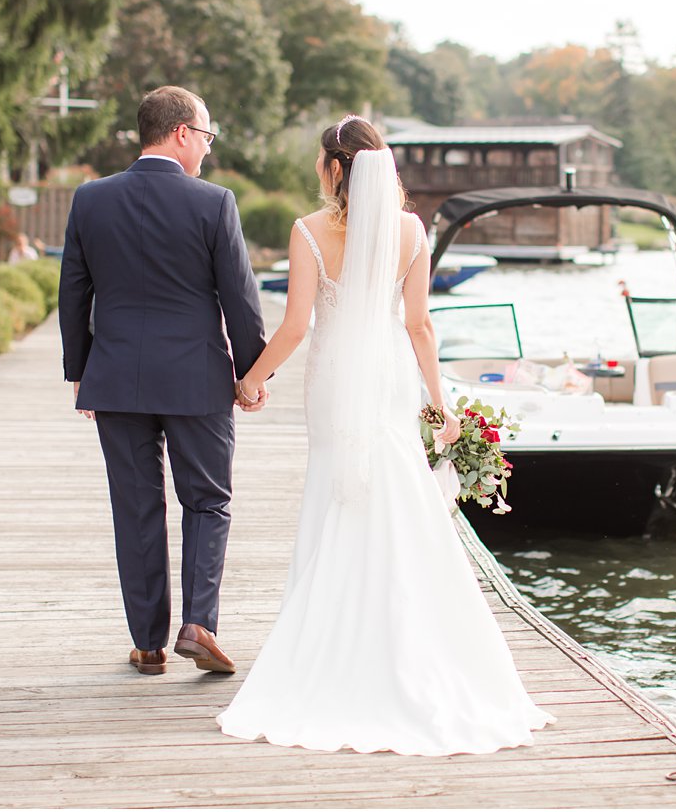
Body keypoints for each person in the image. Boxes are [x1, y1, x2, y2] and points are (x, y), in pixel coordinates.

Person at [215, 115, 554, 755]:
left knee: (337, 490)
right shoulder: (410, 231)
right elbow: (420, 324)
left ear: (334, 168)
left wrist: (250, 380)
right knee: (397, 491)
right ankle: (421, 643)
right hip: (392, 376)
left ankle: (334, 645)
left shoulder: (309, 232)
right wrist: (441, 402)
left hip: (337, 375)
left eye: (321, 160)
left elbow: (293, 327)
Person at [58, 85, 267, 677]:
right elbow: (241, 302)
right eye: (205, 136)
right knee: (207, 500)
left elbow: (73, 291)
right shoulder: (213, 203)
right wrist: (252, 374)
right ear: (180, 133)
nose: (206, 148)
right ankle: (198, 624)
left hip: (116, 379)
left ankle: (149, 644)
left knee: (136, 507)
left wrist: (80, 371)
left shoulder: (90, 200)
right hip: (196, 380)